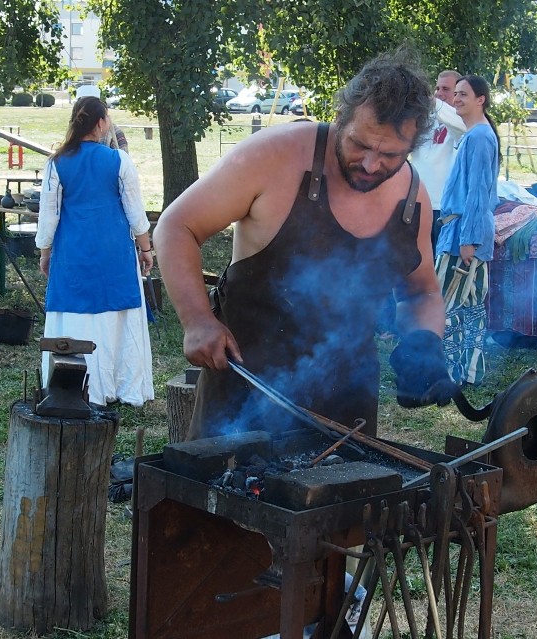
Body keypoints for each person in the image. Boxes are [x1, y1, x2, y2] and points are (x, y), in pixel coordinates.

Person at [155, 50, 460, 440]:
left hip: (347, 416)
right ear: (341, 118)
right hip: (242, 402)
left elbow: (421, 292)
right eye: (359, 144)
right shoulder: (274, 157)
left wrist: (424, 343)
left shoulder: (413, 201)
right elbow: (177, 225)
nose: (370, 164)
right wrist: (197, 321)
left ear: (413, 146)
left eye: (389, 155)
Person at [36, 95, 155, 407]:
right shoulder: (120, 161)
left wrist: (45, 252)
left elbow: (49, 217)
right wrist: (146, 249)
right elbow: (135, 212)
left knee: (75, 317)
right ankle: (119, 385)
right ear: (101, 123)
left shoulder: (56, 163)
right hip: (113, 254)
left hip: (73, 253)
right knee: (114, 318)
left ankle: (73, 385)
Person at [434, 75, 501, 387]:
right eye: (455, 93)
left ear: (481, 99)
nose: (456, 99)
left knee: (444, 306)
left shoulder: (479, 138)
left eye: (463, 94)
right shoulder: (476, 135)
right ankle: (470, 372)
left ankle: (447, 373)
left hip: (463, 236)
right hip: (464, 233)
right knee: (471, 308)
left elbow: (477, 194)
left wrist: (468, 241)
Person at [411, 70, 467, 251]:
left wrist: (431, 101)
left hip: (442, 208)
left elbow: (461, 125)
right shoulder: (425, 119)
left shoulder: (462, 121)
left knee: (437, 265)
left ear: (457, 94)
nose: (439, 93)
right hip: (416, 203)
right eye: (437, 88)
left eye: (446, 89)